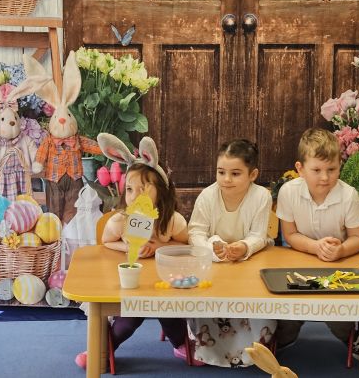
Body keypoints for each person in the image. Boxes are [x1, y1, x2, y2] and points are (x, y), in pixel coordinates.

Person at [74, 136, 190, 370]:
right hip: (132, 283)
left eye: (143, 189)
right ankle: (103, 347)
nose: (134, 196)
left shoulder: (172, 221)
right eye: (129, 189)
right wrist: (128, 248)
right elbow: (106, 242)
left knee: (170, 312)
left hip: (163, 282)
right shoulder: (120, 221)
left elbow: (185, 246)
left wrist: (158, 247)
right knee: (130, 318)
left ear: (161, 191)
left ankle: (181, 344)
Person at [274, 128, 359, 352]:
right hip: (298, 258)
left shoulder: (348, 195)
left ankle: (350, 335)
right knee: (288, 317)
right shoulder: (288, 192)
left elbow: (358, 238)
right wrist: (315, 247)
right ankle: (283, 336)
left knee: (338, 318)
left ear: (339, 166)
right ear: (300, 169)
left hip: (337, 263)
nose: (325, 177)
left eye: (331, 169)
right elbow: (290, 235)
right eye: (316, 170)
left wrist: (341, 250)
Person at [187, 139, 274, 367]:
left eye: (235, 173)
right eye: (221, 172)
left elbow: (258, 235)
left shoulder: (261, 196)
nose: (226, 179)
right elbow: (196, 232)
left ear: (252, 174)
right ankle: (210, 349)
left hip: (249, 264)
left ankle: (254, 349)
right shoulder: (207, 196)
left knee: (255, 295)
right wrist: (213, 249)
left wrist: (243, 247)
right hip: (214, 265)